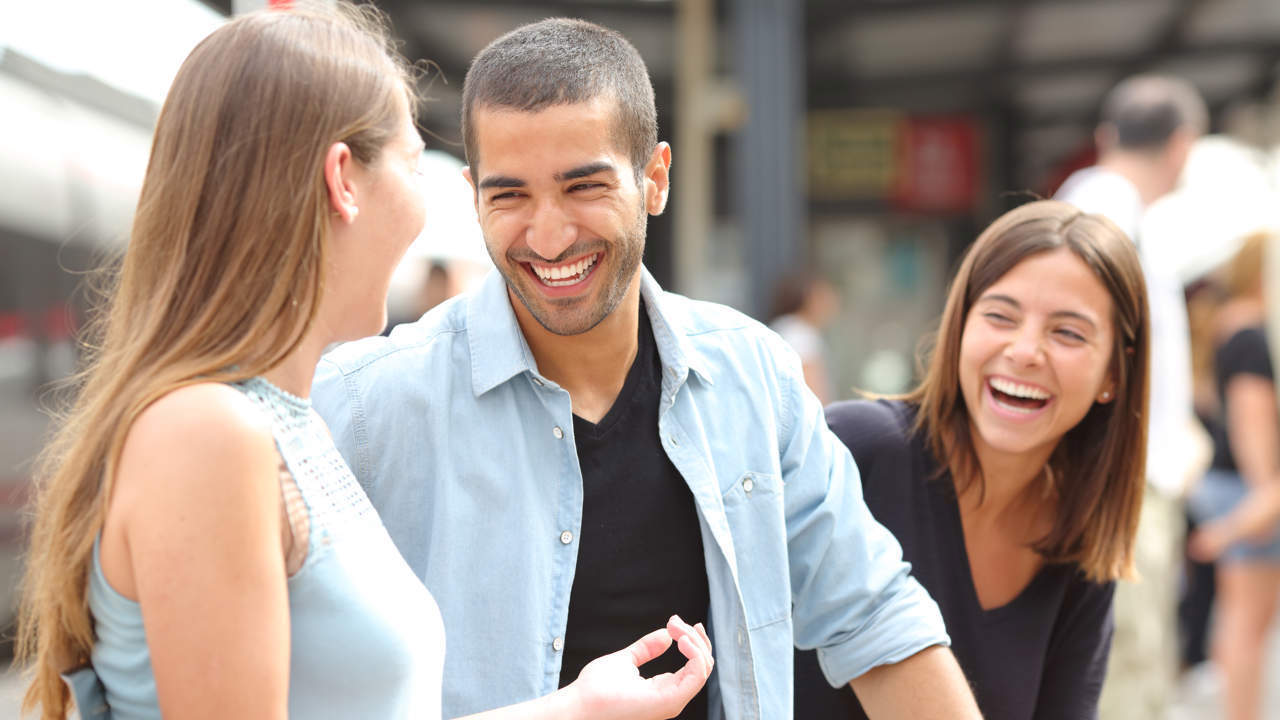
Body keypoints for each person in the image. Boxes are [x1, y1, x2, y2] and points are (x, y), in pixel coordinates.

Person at [15, 6, 712, 719]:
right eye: (415, 164)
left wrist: (579, 708)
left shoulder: (280, 420)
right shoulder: (208, 434)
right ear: (344, 179)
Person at [312, 17, 981, 720]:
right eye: (510, 196)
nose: (548, 234)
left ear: (655, 179)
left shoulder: (753, 377)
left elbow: (873, 616)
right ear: (475, 194)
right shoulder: (362, 407)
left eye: (584, 187)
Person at [795, 200, 1149, 719]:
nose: (1025, 350)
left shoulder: (1079, 545)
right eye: (1000, 316)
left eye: (1068, 332)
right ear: (959, 327)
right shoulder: (856, 449)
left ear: (1115, 375)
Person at [1053, 73, 1209, 720]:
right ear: (1182, 145)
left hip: (1124, 478)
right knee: (1122, 664)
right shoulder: (1107, 211)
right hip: (1118, 482)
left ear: (1105, 136)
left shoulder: (1105, 205)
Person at [1184, 233, 1280, 720]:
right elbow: (1251, 421)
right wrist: (1265, 499)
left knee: (1246, 621)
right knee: (1248, 622)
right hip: (1247, 487)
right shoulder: (1252, 333)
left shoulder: (1232, 326)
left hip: (1237, 486)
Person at [769, 271, 840, 404]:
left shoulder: (785, 328)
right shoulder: (800, 334)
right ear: (808, 299)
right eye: (824, 296)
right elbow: (813, 392)